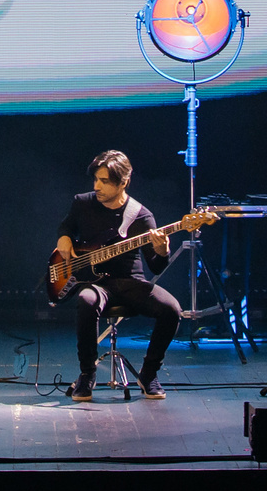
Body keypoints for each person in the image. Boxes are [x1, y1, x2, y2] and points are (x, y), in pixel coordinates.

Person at [53, 151, 181, 400]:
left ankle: (149, 373)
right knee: (86, 301)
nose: (96, 186)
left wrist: (162, 250)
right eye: (96, 180)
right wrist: (64, 238)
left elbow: (155, 267)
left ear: (123, 182)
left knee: (172, 310)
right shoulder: (83, 202)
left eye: (104, 181)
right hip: (95, 283)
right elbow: (66, 225)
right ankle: (87, 374)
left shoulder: (141, 216)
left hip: (129, 282)